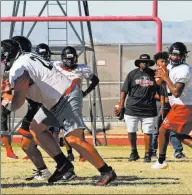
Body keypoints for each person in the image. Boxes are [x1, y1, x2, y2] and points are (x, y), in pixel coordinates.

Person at [1, 39, 117, 185]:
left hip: (65, 97)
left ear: (7, 56)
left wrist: (6, 107)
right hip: (55, 99)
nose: (3, 63)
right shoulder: (28, 58)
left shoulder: (18, 67)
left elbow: (18, 101)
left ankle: (106, 171)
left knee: (73, 139)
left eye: (2, 60)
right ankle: (63, 165)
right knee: (36, 129)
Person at [151, 42, 192, 169]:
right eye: (173, 55)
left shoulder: (184, 69)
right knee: (178, 134)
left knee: (163, 131)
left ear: (183, 56)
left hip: (183, 106)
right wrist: (160, 76)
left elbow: (176, 92)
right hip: (188, 106)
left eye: (178, 55)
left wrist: (165, 77)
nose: (175, 57)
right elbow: (160, 81)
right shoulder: (170, 66)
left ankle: (161, 161)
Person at [11, 36, 52, 180]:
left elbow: (18, 96)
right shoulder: (31, 62)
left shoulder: (25, 65)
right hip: (36, 109)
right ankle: (45, 171)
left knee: (39, 141)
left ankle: (64, 167)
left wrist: (7, 99)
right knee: (27, 145)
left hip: (44, 108)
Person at [53, 46, 99, 162]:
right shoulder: (56, 65)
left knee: (77, 127)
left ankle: (82, 153)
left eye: (71, 59)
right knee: (64, 127)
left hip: (75, 101)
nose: (69, 62)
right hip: (60, 100)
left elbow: (95, 80)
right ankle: (69, 153)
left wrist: (85, 92)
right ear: (62, 58)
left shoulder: (82, 68)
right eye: (67, 59)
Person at [115, 54, 157, 163]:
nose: (145, 63)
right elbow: (124, 90)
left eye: (147, 62)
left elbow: (159, 90)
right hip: (132, 108)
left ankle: (148, 154)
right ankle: (134, 152)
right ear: (139, 63)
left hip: (149, 108)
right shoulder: (132, 74)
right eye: (143, 62)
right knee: (131, 131)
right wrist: (121, 105)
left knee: (148, 132)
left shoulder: (154, 74)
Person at [151, 51, 187, 159]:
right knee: (156, 129)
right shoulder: (154, 74)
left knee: (174, 128)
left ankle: (178, 152)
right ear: (157, 62)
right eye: (162, 61)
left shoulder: (171, 73)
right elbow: (152, 92)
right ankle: (153, 152)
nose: (164, 63)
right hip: (158, 106)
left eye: (166, 61)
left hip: (172, 105)